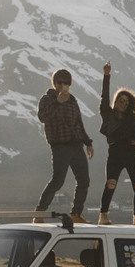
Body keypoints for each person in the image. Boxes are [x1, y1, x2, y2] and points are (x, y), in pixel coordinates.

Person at [33, 68, 93, 224]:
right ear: (54, 83)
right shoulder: (47, 99)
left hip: (76, 145)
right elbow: (43, 117)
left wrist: (88, 142)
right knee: (58, 180)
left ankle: (76, 213)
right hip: (60, 146)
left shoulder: (72, 100)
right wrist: (57, 103)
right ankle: (39, 212)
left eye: (66, 83)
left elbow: (78, 123)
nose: (62, 85)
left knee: (84, 181)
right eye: (59, 82)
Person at [97, 62, 135, 226]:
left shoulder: (132, 119)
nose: (124, 103)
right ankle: (103, 216)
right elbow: (104, 97)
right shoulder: (108, 114)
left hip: (131, 153)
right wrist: (106, 76)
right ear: (117, 100)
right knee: (111, 184)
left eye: (127, 102)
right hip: (115, 153)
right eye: (122, 100)